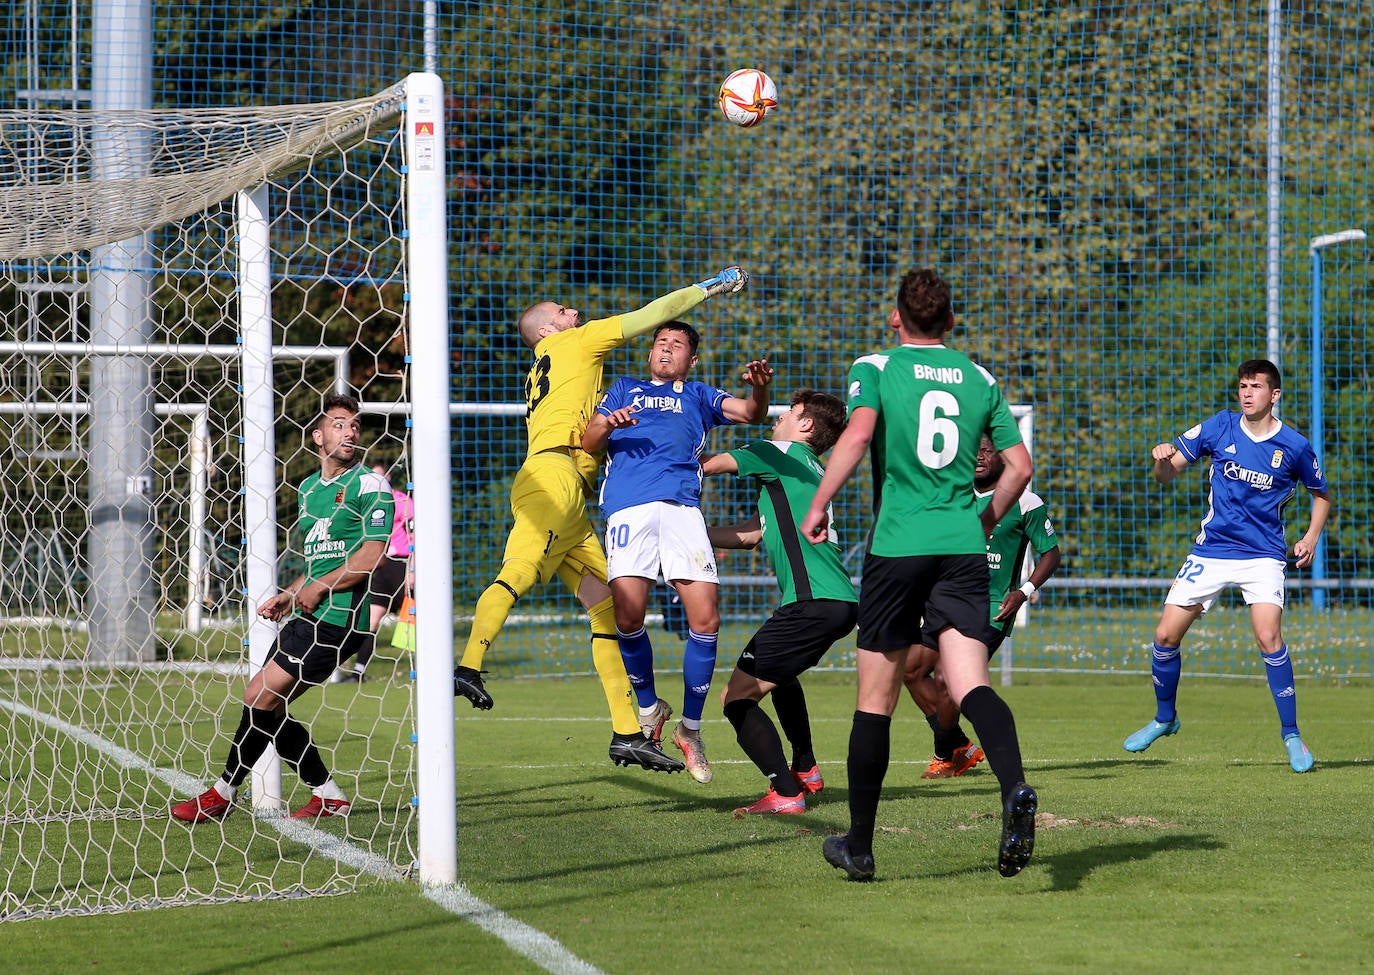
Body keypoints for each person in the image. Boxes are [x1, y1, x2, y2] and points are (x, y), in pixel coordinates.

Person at [452, 268, 750, 775]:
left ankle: (628, 732)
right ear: (550, 330)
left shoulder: (552, 360)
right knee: (519, 568)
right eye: (563, 310)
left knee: (610, 610)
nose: (574, 312)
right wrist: (712, 287)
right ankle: (468, 666)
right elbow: (652, 315)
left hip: (570, 492)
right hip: (554, 477)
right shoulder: (577, 342)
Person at [800, 267, 1038, 881]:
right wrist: (982, 521)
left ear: (895, 318)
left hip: (898, 545)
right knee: (971, 683)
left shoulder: (875, 367)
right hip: (961, 547)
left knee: (875, 699)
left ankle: (860, 845)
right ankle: (1013, 789)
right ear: (952, 323)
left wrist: (820, 502)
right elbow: (1019, 466)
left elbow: (856, 435)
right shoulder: (978, 378)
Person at [172, 392, 392, 822]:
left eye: (354, 426)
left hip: (342, 618)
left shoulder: (368, 484)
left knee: (259, 695)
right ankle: (327, 795)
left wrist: (320, 589)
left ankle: (221, 795)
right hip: (312, 613)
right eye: (339, 423)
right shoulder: (310, 490)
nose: (349, 431)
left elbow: (371, 557)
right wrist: (292, 594)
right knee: (266, 704)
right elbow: (319, 564)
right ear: (318, 436)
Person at [581, 320, 773, 783]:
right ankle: (649, 709)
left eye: (677, 344)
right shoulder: (623, 388)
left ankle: (690, 728)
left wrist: (761, 390)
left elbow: (751, 414)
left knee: (705, 620)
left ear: (691, 359)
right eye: (660, 342)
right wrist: (608, 421)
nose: (666, 348)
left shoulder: (700, 394)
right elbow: (587, 441)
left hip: (684, 510)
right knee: (627, 617)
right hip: (629, 510)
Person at [1122, 359, 1330, 773]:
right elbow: (1166, 475)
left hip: (1264, 555)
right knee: (1165, 635)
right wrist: (1162, 458)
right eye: (1242, 386)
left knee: (1268, 635)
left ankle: (1291, 735)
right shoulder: (1219, 426)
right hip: (1212, 551)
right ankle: (1166, 719)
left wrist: (1309, 538)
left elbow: (1321, 494)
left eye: (1256, 386)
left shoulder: (1294, 445)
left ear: (1275, 395)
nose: (1246, 393)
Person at [700, 388, 856, 814]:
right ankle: (805, 767)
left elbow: (706, 466)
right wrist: (686, 532)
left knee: (736, 698)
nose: (778, 417)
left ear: (805, 425)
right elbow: (752, 533)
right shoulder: (807, 468)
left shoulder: (777, 451)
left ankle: (785, 792)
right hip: (833, 602)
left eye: (789, 412)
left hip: (810, 602)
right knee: (781, 676)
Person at [904, 433, 1062, 778]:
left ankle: (945, 755)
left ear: (1002, 458)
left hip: (991, 606)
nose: (978, 458)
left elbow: (1050, 553)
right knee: (911, 669)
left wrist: (1023, 591)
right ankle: (958, 745)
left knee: (948, 678)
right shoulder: (952, 497)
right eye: (972, 453)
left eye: (986, 451)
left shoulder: (1026, 502)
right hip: (942, 600)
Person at [331, 462, 414, 683]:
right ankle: (358, 672)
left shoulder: (403, 501)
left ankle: (426, 671)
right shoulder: (365, 501)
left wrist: (414, 569)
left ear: (387, 477)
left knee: (413, 624)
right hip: (382, 567)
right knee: (371, 621)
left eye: (379, 476)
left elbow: (415, 537)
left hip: (404, 566)